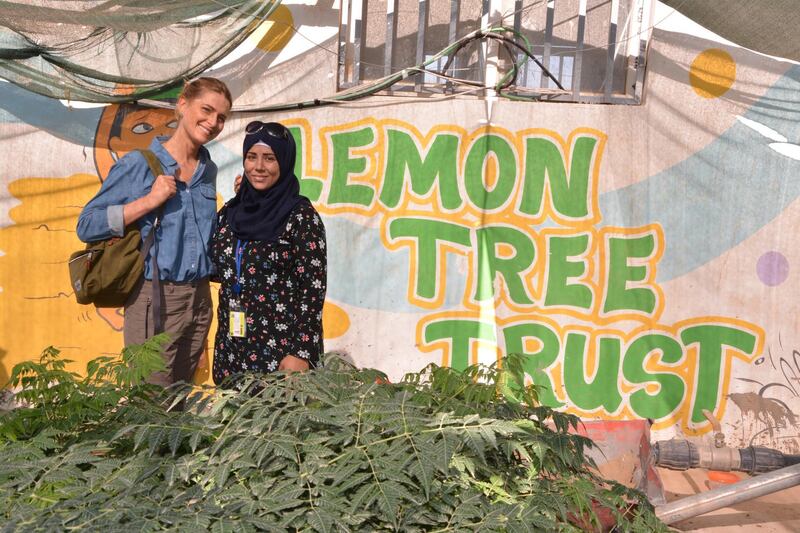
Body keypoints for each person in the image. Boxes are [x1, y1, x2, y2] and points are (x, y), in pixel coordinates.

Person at [77, 77, 232, 386]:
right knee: (149, 407)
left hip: (199, 299)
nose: (213, 122)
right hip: (154, 296)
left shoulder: (207, 170)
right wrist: (148, 201)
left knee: (179, 401)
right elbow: (87, 224)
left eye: (222, 117)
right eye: (207, 109)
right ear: (183, 105)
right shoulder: (139, 164)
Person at [211, 121, 326, 385]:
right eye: (251, 157)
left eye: (269, 158)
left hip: (283, 355)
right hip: (232, 352)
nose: (259, 167)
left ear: (284, 163)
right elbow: (218, 268)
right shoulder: (230, 213)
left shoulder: (301, 217)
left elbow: (312, 289)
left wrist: (300, 352)